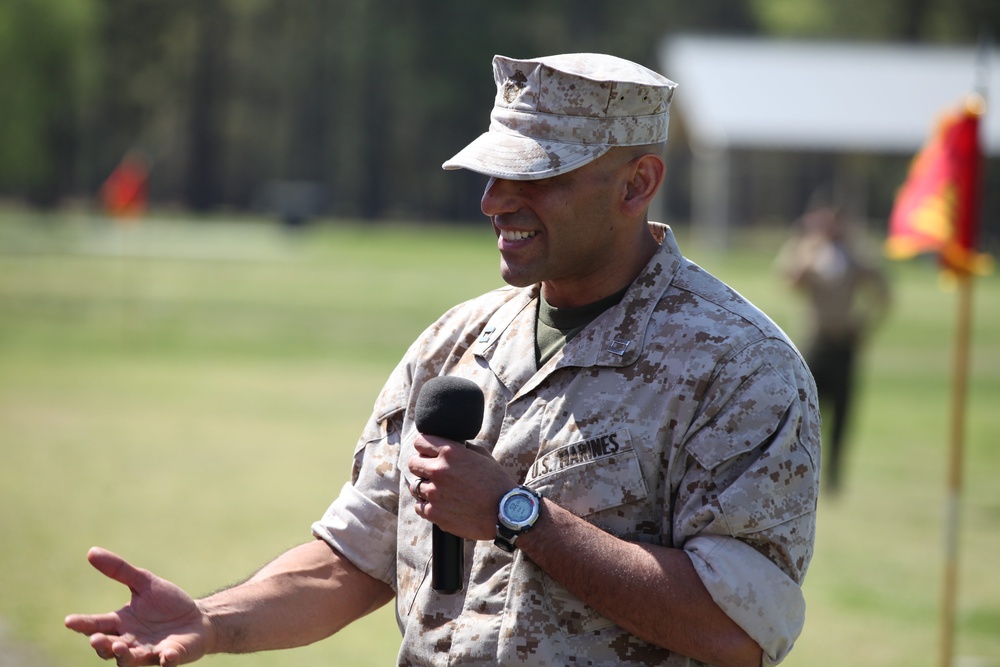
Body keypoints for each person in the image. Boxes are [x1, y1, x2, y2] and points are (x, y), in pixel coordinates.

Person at [66, 53, 820, 667]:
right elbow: (350, 561)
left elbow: (737, 631)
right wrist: (213, 619)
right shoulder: (457, 343)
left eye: (536, 174)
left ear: (637, 183)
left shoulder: (739, 367)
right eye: (493, 174)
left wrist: (513, 513)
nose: (495, 201)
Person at [775, 198, 890, 495]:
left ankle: (835, 479)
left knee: (842, 414)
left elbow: (882, 290)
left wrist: (865, 325)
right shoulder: (808, 249)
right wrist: (811, 246)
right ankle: (800, 471)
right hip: (816, 341)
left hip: (844, 342)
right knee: (805, 414)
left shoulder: (853, 253)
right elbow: (790, 280)